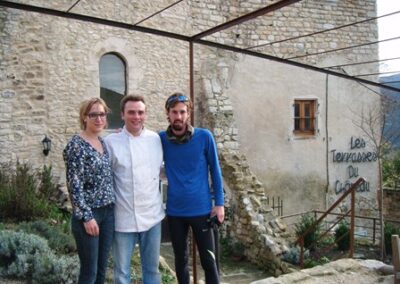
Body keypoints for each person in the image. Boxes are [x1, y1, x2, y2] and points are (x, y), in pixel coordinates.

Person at [159, 92, 225, 284]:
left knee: (209, 261)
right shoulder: (161, 139)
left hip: (202, 210)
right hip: (175, 212)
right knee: (181, 261)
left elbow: (215, 170)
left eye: (182, 112)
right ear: (168, 114)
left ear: (188, 114)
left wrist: (219, 203)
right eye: (174, 112)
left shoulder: (204, 137)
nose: (178, 116)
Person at [104, 95, 165, 284]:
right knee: (121, 272)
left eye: (140, 112)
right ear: (122, 114)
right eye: (131, 112)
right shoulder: (110, 142)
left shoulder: (155, 139)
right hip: (123, 218)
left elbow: (162, 171)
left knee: (152, 270)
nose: (136, 117)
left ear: (145, 115)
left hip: (152, 216)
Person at [63, 97, 115, 284]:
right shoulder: (76, 145)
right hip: (90, 215)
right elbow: (74, 185)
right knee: (89, 272)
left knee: (102, 270)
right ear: (84, 117)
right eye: (94, 114)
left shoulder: (103, 142)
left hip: (108, 212)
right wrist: (86, 217)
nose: (99, 118)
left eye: (102, 114)